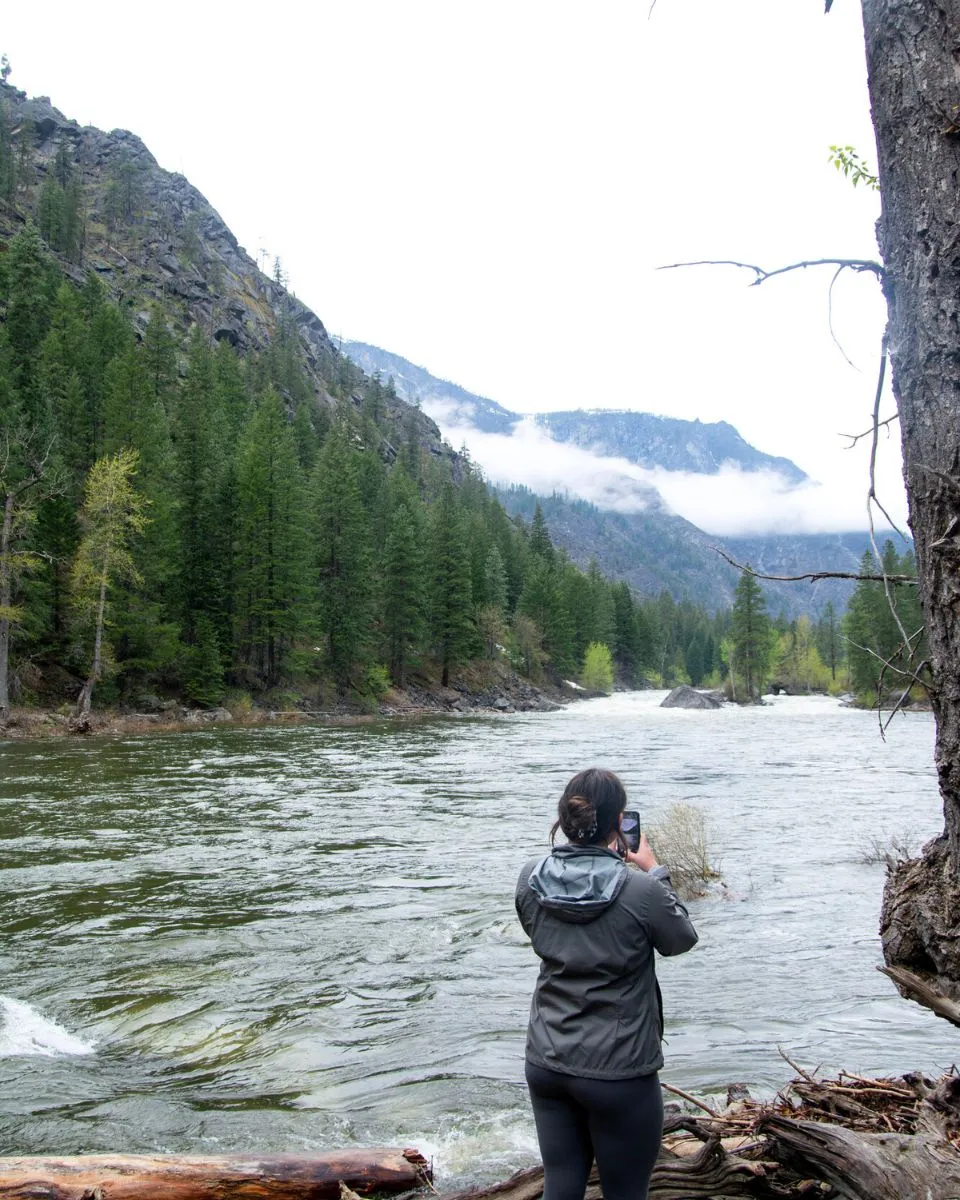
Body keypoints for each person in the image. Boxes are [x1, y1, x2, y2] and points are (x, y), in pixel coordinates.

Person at [515, 767, 698, 1200]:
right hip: (619, 1070)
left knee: (560, 1186)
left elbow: (536, 931)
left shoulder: (529, 877)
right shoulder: (641, 889)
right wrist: (656, 871)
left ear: (564, 819)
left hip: (547, 1060)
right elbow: (681, 940)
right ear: (619, 823)